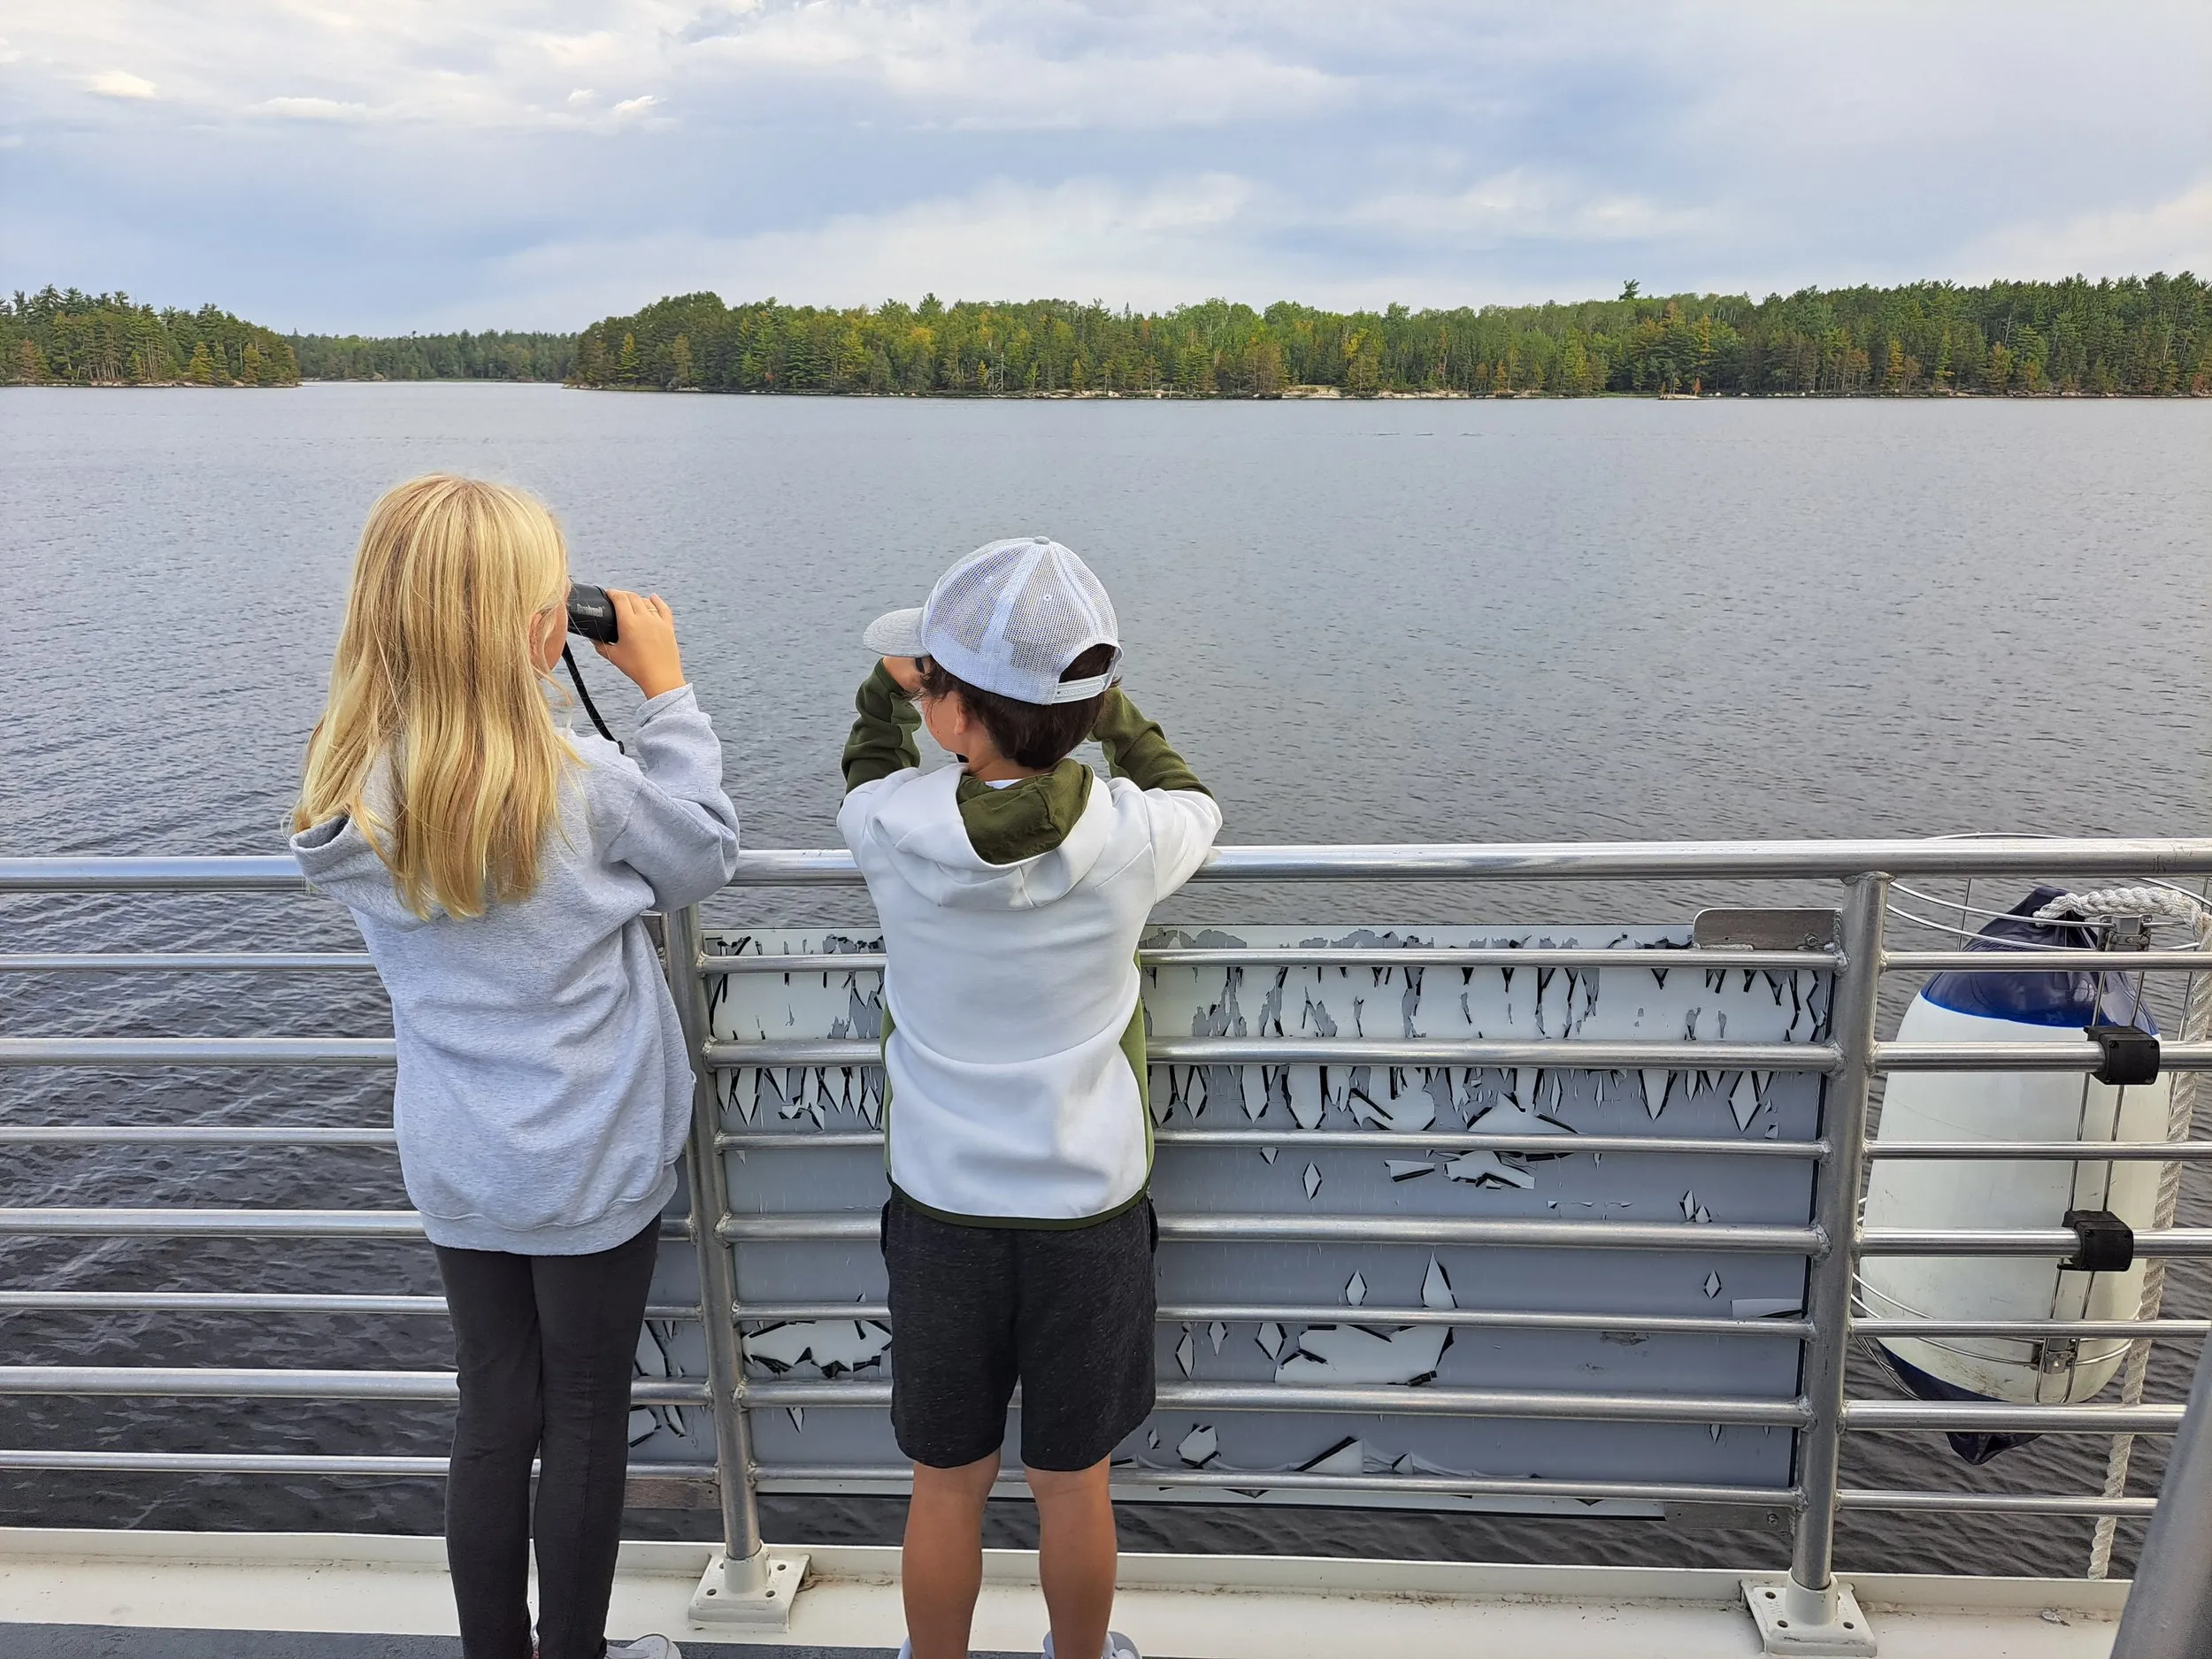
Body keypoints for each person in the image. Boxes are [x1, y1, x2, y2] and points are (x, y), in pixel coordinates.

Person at [290, 474, 738, 1659]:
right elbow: (702, 852)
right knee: (583, 1413)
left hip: (462, 1156)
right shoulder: (580, 781)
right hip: (592, 1153)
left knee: (494, 1410)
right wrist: (668, 690)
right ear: (541, 629)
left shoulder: (354, 793)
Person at [839, 536, 1223, 1659]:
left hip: (943, 1213)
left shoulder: (890, 828)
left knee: (945, 1486)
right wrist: (1107, 713)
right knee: (1073, 1486)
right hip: (1088, 1215)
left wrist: (882, 685)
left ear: (946, 713)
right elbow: (1189, 792)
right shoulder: (1134, 838)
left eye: (933, 687)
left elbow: (866, 768)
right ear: (1085, 706)